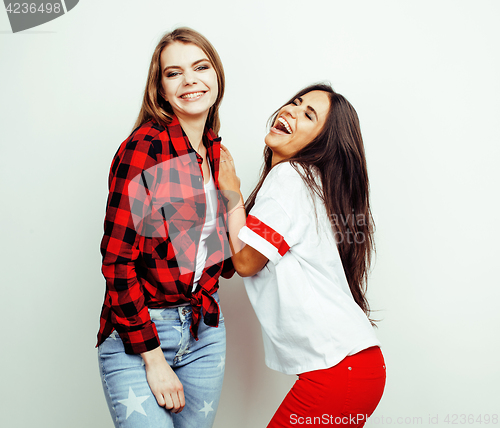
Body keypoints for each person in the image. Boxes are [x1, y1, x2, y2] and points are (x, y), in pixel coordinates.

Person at [218, 83, 386, 427]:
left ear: (321, 143)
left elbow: (247, 263)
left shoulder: (290, 178)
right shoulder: (303, 184)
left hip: (340, 371)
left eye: (308, 115)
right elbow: (235, 260)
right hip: (356, 366)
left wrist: (231, 192)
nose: (290, 111)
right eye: (294, 103)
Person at [96, 28, 233, 428]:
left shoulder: (215, 151)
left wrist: (234, 195)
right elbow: (116, 261)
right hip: (141, 333)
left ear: (216, 76)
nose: (190, 79)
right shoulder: (144, 148)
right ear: (160, 90)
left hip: (204, 331)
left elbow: (220, 262)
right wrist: (152, 358)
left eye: (201, 66)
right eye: (174, 73)